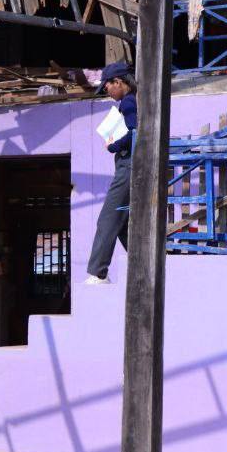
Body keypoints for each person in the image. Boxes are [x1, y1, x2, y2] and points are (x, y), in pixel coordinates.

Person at [86, 60, 138, 285]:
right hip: (131, 167)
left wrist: (113, 146)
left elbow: (135, 132)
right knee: (122, 222)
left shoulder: (128, 102)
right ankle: (143, 261)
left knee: (107, 219)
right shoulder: (133, 100)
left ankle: (98, 273)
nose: (106, 90)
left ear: (118, 82)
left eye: (107, 86)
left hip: (128, 168)